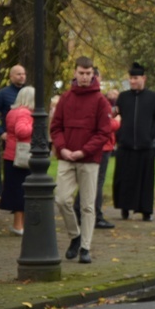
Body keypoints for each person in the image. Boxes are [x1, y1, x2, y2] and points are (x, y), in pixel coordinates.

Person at [50, 56, 112, 264]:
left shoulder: (101, 101)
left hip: (88, 159)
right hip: (66, 156)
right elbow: (56, 127)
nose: (84, 77)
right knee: (61, 199)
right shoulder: (66, 98)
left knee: (87, 205)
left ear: (93, 74)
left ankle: (85, 247)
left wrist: (84, 151)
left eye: (88, 73)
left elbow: (103, 132)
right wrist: (62, 147)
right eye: (81, 73)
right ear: (75, 73)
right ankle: (74, 235)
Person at [112, 62, 155, 221]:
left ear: (144, 78)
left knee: (145, 180)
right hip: (126, 145)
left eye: (135, 78)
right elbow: (117, 116)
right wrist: (119, 134)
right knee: (125, 178)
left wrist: (151, 134)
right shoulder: (123, 97)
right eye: (130, 78)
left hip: (145, 145)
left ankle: (146, 210)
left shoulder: (153, 98)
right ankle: (124, 208)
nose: (133, 81)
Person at [73, 68, 119, 230]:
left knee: (88, 181)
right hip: (101, 146)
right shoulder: (99, 99)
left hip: (89, 145)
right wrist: (118, 121)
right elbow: (105, 125)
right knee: (96, 182)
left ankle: (80, 210)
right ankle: (94, 214)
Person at [0, 86, 34, 235]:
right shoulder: (25, 113)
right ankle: (19, 225)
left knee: (16, 189)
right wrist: (36, 125)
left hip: (11, 155)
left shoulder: (13, 112)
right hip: (21, 156)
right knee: (22, 191)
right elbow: (21, 131)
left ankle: (19, 224)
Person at [0, 65, 27, 197]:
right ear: (11, 76)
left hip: (27, 138)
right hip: (10, 138)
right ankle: (11, 195)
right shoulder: (3, 94)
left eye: (23, 74)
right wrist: (1, 132)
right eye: (18, 74)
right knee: (11, 169)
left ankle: (24, 194)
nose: (22, 76)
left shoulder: (29, 93)